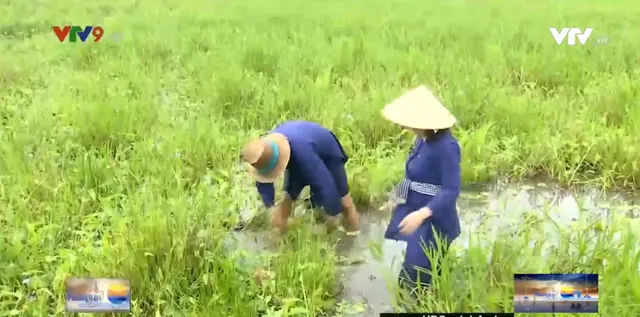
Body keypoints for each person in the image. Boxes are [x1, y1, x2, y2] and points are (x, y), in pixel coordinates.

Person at [380, 85, 462, 292]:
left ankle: (428, 302)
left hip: (435, 220)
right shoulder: (423, 140)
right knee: (414, 270)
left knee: (417, 274)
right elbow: (412, 175)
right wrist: (395, 197)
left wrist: (421, 215)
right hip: (416, 211)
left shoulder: (447, 147)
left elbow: (451, 190)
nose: (405, 128)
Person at [241, 121, 360, 235]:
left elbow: (324, 183)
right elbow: (263, 182)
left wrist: (332, 215)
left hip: (327, 152)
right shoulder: (264, 153)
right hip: (297, 152)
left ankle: (353, 232)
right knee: (286, 199)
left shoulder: (303, 155)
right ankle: (282, 240)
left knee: (344, 200)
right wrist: (270, 207)